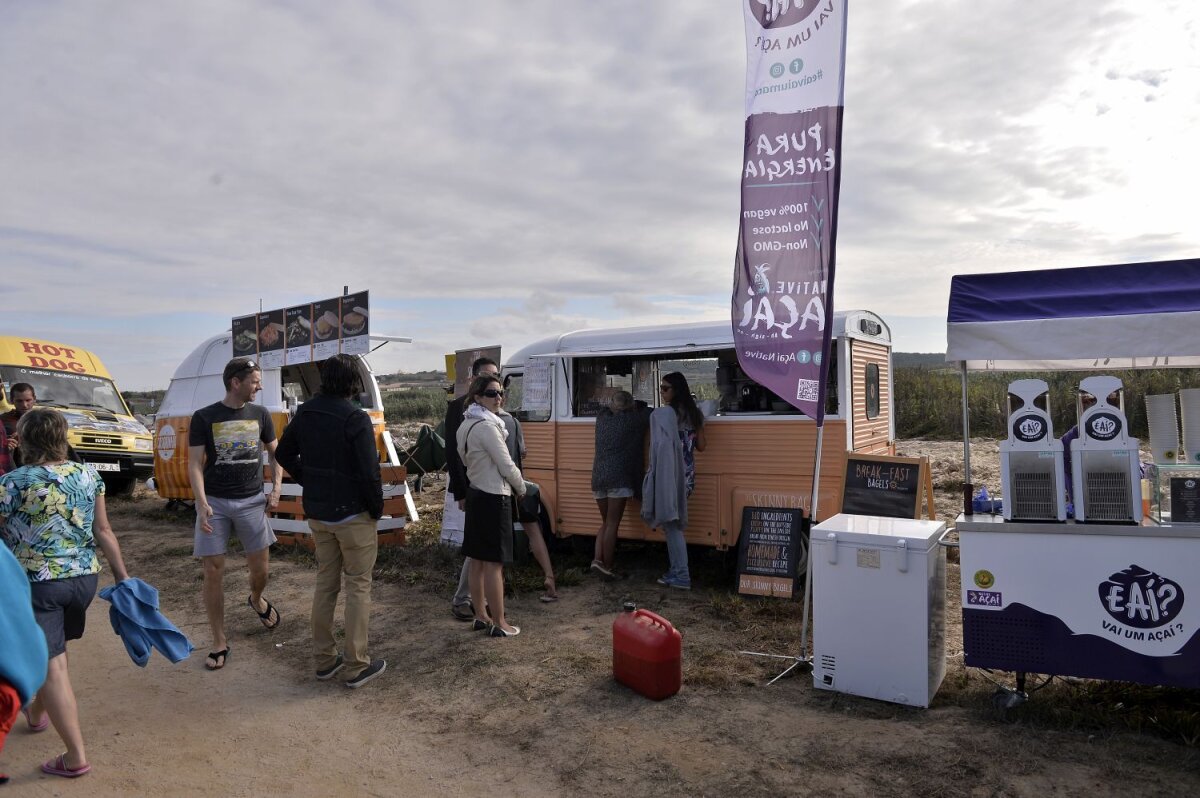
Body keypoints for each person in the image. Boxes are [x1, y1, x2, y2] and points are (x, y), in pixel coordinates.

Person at [0, 408, 131, 779]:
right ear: (62, 437)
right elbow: (103, 531)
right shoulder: (87, 475)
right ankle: (36, 713)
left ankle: (75, 757)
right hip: (83, 581)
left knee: (53, 663)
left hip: (38, 583)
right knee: (55, 652)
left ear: (25, 439)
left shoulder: (12, 483)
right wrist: (123, 577)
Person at [275, 355, 387, 688]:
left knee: (326, 584)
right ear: (353, 383)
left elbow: (283, 454)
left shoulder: (306, 412)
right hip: (353, 515)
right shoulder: (355, 418)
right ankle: (356, 665)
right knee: (358, 586)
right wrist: (376, 510)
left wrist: (309, 479)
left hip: (319, 514)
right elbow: (369, 473)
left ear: (325, 380)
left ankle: (325, 660)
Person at [187, 357, 283, 671]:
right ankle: (219, 641)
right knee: (213, 571)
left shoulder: (261, 414)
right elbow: (194, 464)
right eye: (255, 381)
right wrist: (201, 502)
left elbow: (275, 454)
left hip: (252, 502)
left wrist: (276, 488)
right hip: (214, 503)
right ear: (235, 382)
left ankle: (256, 598)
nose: (260, 387)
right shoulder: (204, 417)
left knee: (261, 571)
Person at [457, 374, 526, 636]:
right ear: (477, 397)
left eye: (500, 393)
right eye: (491, 393)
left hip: (476, 494)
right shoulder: (487, 426)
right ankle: (500, 622)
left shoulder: (466, 424)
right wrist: (521, 487)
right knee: (494, 564)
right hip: (494, 497)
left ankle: (481, 616)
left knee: (477, 560)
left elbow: (464, 459)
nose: (498, 398)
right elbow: (506, 464)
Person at [445, 357, 500, 621]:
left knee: (485, 545)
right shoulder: (458, 407)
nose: (493, 383)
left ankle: (485, 599)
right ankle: (464, 599)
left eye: (496, 376)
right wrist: (460, 491)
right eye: (487, 376)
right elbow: (453, 454)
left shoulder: (495, 406)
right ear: (473, 378)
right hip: (473, 487)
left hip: (494, 486)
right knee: (477, 545)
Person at [641, 372, 706, 590]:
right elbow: (702, 446)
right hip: (687, 477)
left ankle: (681, 574)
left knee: (672, 525)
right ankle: (677, 571)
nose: (661, 392)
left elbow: (654, 447)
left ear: (676, 390)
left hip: (669, 475)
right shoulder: (695, 414)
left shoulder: (662, 415)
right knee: (673, 523)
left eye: (665, 388)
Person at [497, 386, 558, 602]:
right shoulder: (513, 421)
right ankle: (549, 578)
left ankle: (498, 587)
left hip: (499, 488)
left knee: (498, 537)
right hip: (520, 485)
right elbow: (523, 452)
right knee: (533, 531)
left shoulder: (486, 423)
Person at [590, 390, 648, 579]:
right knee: (613, 524)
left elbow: (605, 408)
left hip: (598, 477)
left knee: (606, 522)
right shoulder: (632, 421)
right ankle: (608, 566)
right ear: (630, 406)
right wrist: (636, 406)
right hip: (619, 478)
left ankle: (597, 560)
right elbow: (647, 411)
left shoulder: (602, 419)